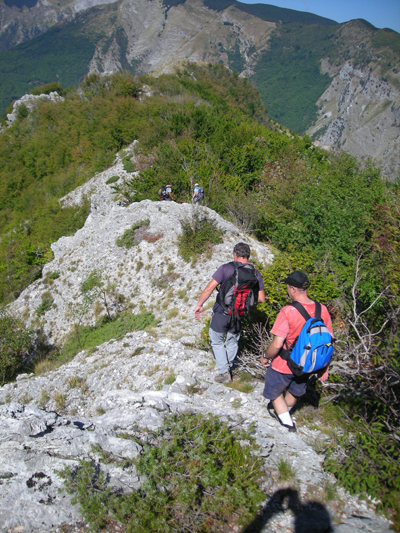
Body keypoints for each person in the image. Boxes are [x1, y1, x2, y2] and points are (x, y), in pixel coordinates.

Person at [260, 270, 333, 432]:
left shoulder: (288, 311)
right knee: (294, 391)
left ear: (293, 289)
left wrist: (265, 356)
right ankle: (284, 411)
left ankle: (287, 422)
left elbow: (277, 344)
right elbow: (330, 341)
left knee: (274, 390)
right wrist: (324, 367)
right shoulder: (322, 309)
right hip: (308, 364)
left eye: (287, 287)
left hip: (285, 364)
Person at [194, 242, 265, 383]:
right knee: (232, 341)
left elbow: (209, 289)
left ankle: (224, 372)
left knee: (216, 341)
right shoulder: (255, 273)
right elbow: (261, 299)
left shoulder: (226, 268)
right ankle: (229, 367)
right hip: (239, 314)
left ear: (235, 254)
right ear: (248, 256)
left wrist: (199, 305)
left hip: (221, 313)